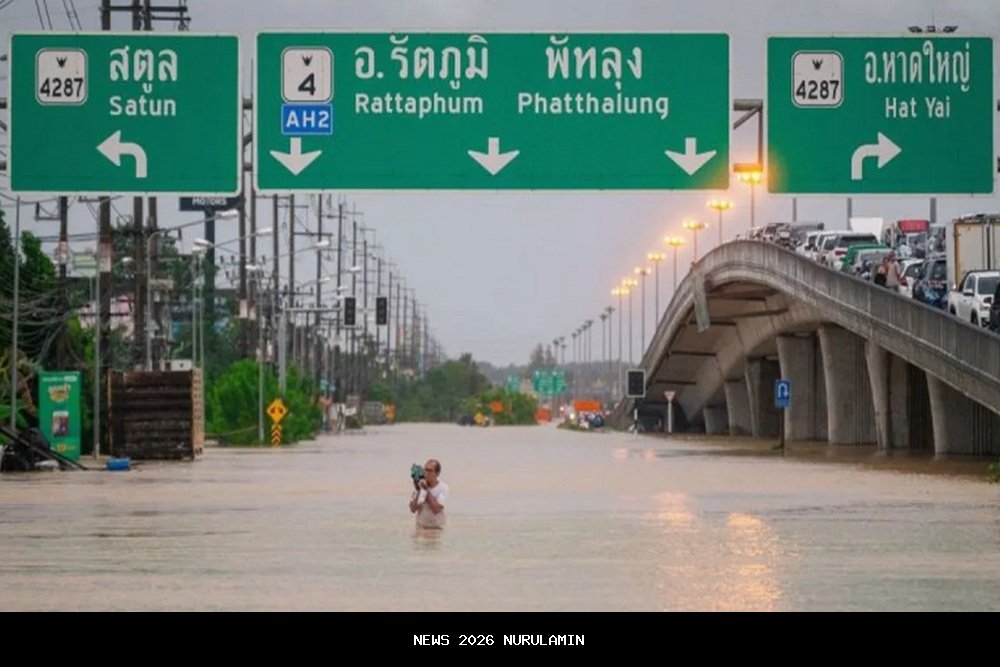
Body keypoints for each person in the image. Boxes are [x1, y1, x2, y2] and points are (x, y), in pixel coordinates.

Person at [409, 458, 448, 529]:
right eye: (425, 470)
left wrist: (426, 489)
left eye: (430, 471)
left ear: (437, 473)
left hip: (436, 527)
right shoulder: (420, 485)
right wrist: (418, 490)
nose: (426, 473)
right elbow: (413, 509)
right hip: (421, 526)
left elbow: (436, 509)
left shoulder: (443, 488)